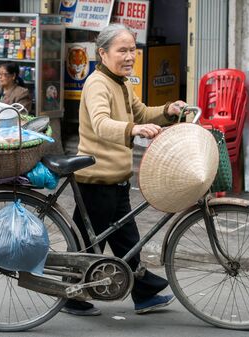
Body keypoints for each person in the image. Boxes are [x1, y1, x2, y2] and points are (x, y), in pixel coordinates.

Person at [62, 24, 187, 317]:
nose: (130, 56)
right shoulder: (96, 84)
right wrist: (135, 129)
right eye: (122, 50)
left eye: (132, 49)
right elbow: (102, 123)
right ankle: (71, 295)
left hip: (117, 178)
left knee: (128, 242)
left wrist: (167, 110)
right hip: (97, 178)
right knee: (89, 244)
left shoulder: (121, 81)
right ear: (103, 53)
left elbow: (140, 112)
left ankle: (142, 293)